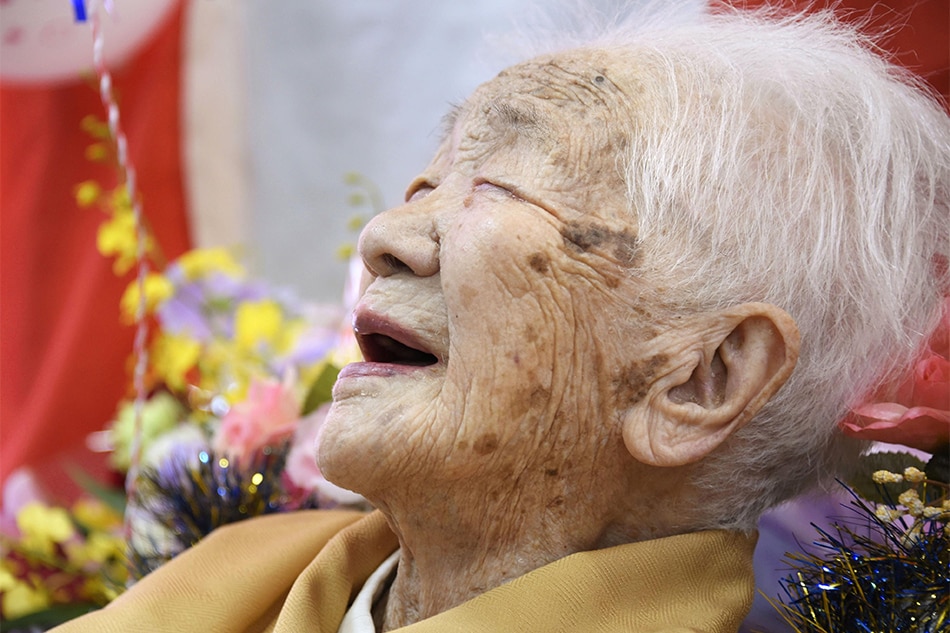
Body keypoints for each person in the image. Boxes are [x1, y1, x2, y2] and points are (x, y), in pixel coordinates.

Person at [53, 4, 949, 632]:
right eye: (423, 184)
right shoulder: (220, 591)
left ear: (699, 377)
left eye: (497, 187)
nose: (383, 238)